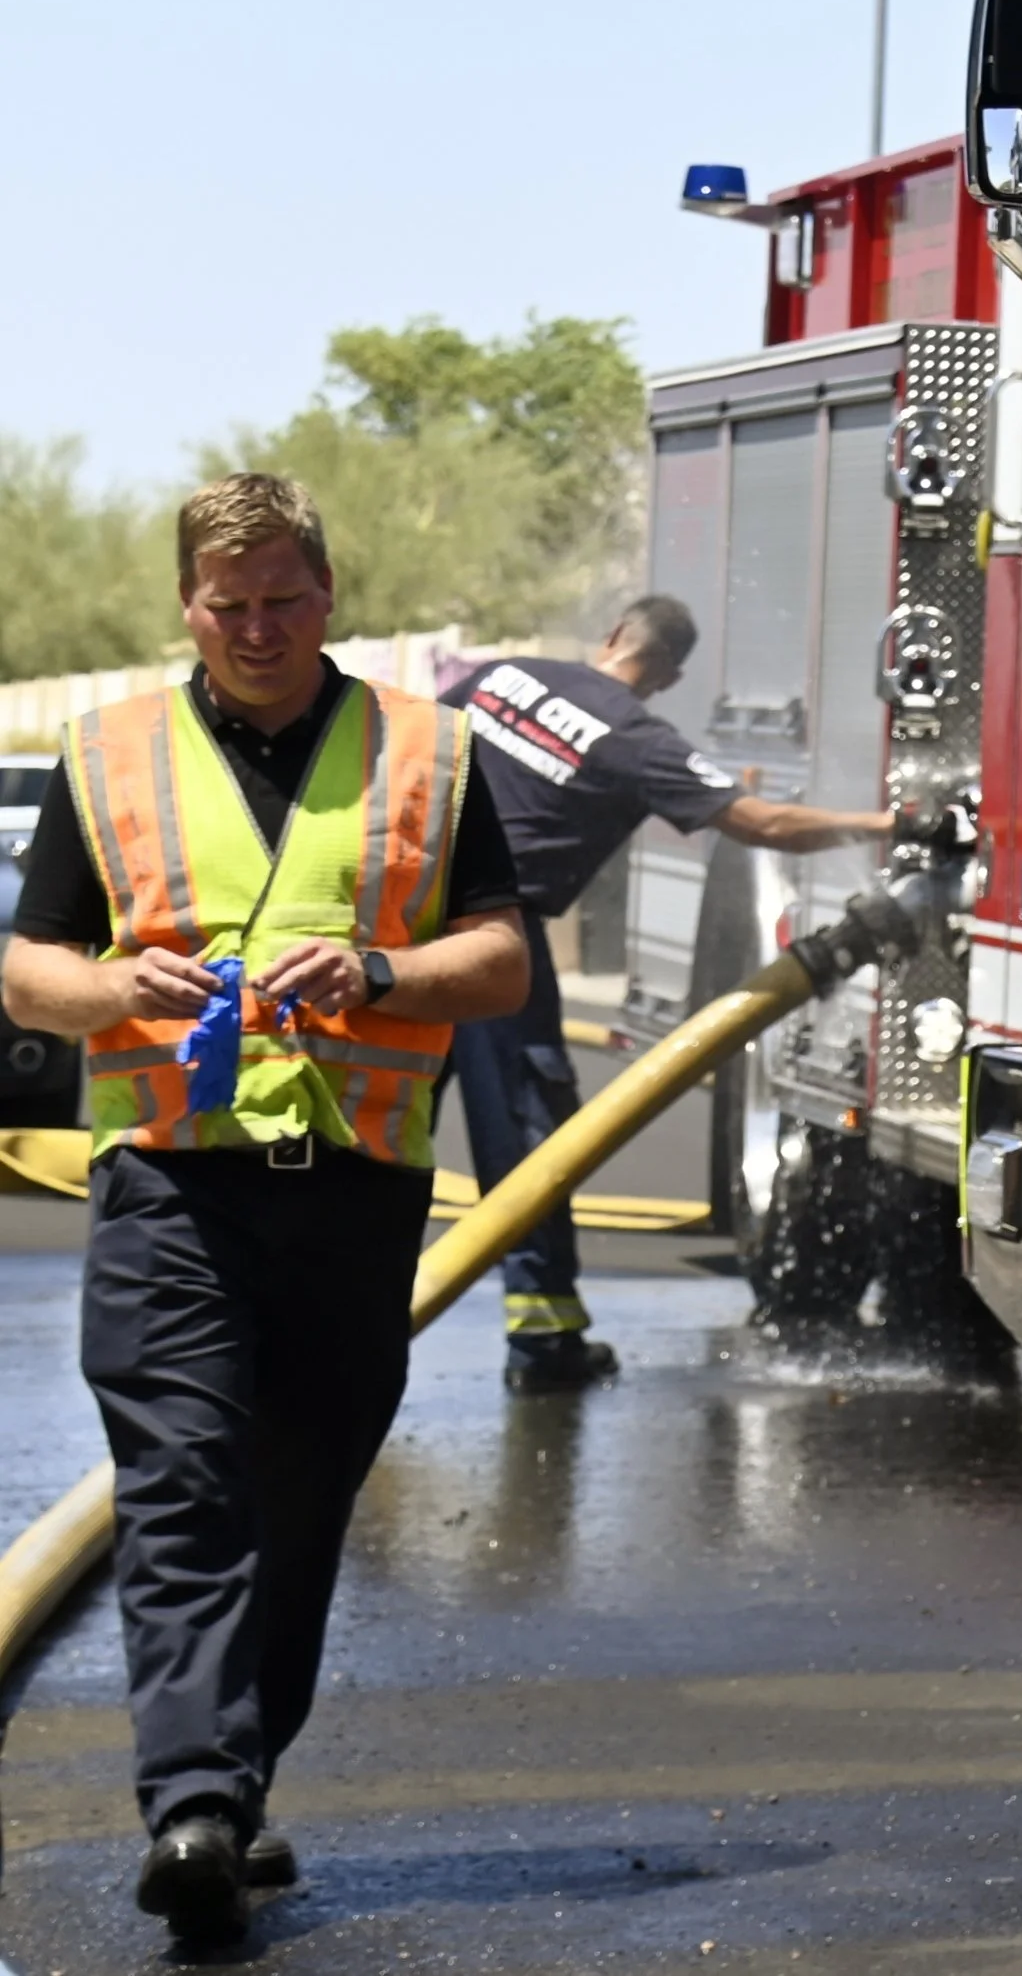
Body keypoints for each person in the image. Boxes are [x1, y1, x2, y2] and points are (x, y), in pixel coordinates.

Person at [2, 473, 528, 1947]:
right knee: (184, 1487)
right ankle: (191, 1806)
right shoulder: (110, 754)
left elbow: (500, 963)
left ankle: (232, 1790)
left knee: (297, 1505)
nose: (256, 628)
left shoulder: (429, 752)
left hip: (353, 1192)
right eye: (227, 604)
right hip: (170, 1183)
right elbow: (29, 967)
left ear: (328, 592)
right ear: (188, 606)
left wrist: (378, 971)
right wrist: (113, 986)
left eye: (283, 598)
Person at [440, 596, 892, 1392]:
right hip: (492, 942)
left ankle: (311, 1325)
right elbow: (764, 823)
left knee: (373, 1120)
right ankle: (544, 1342)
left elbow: (404, 746)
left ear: (614, 633)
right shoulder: (635, 739)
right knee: (528, 1140)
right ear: (672, 675)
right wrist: (887, 824)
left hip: (397, 915)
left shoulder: (504, 676)